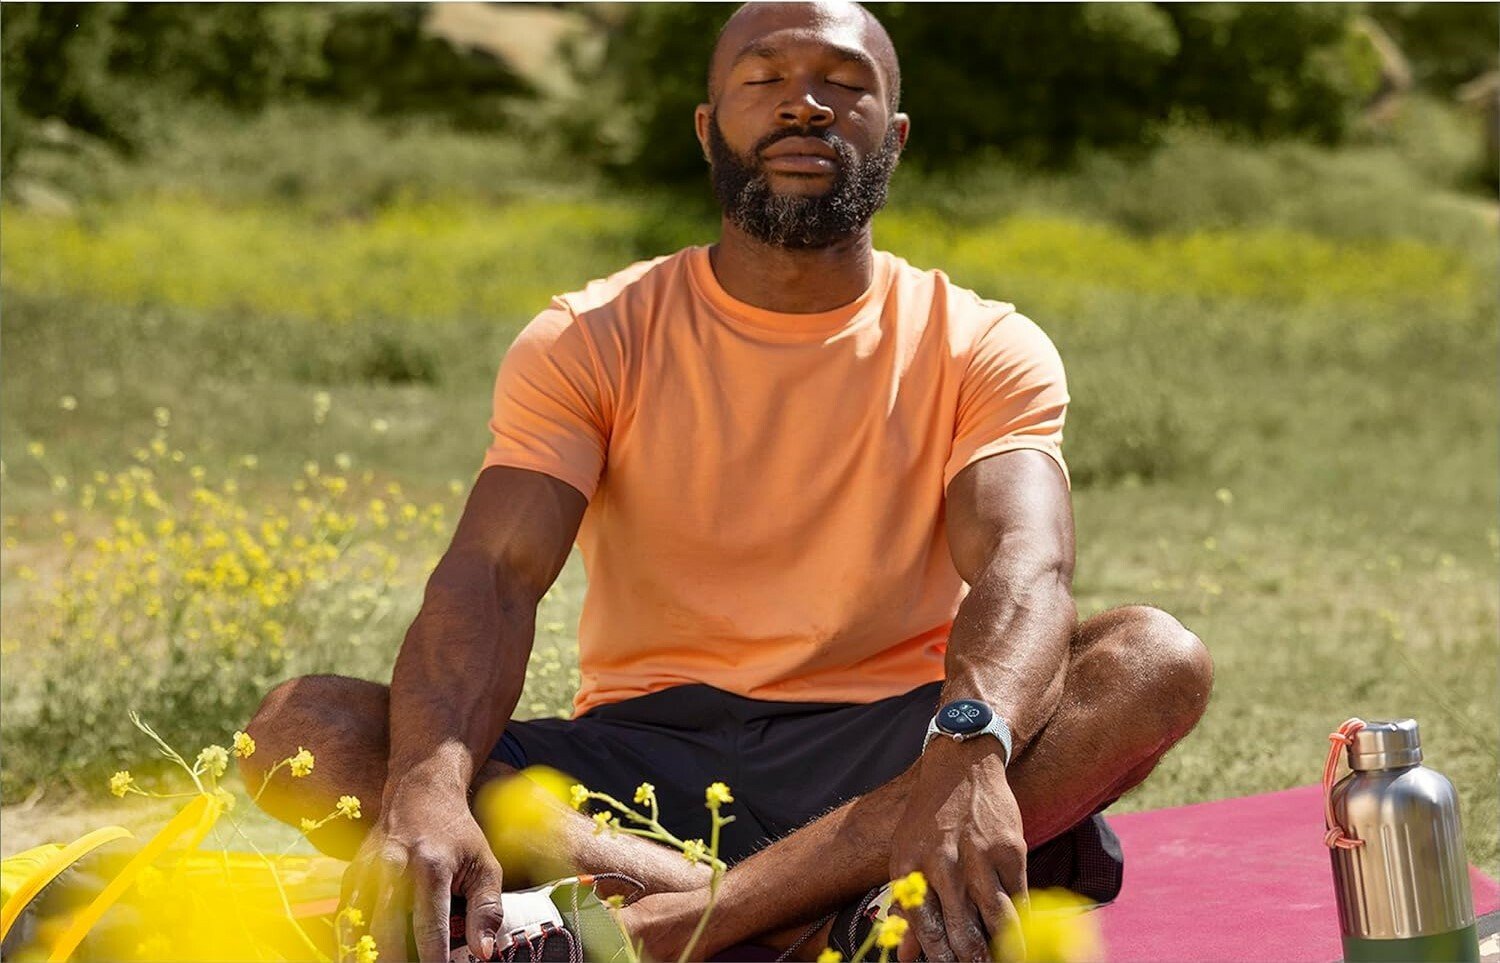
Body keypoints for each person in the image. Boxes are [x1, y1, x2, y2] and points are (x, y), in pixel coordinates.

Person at [241, 2, 1214, 960]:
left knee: (1153, 660)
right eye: (765, 79)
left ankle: (663, 927)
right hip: (642, 759)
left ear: (896, 134)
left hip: (897, 753)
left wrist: (969, 746)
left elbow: (1024, 566)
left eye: (845, 84)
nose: (805, 105)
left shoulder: (984, 343)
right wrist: (424, 785)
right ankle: (807, 922)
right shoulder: (590, 335)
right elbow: (494, 576)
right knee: (301, 730)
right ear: (711, 127)